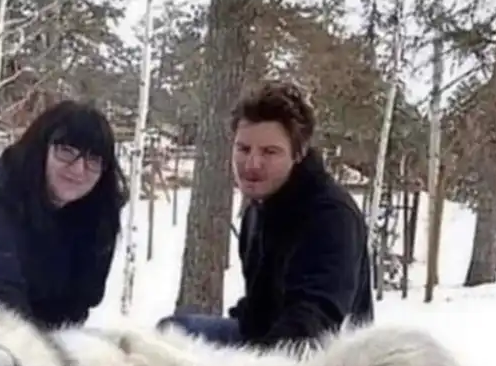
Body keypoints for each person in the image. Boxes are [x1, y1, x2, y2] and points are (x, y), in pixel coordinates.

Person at [160, 80, 374, 348]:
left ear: (298, 153)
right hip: (262, 340)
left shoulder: (332, 217)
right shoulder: (260, 205)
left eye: (270, 152)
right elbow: (259, 307)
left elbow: (314, 324)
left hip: (322, 362)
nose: (252, 164)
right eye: (243, 149)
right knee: (172, 334)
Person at [0, 100, 128, 330]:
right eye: (67, 152)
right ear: (41, 149)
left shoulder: (99, 211)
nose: (79, 170)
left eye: (93, 160)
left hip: (42, 333)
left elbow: (83, 300)